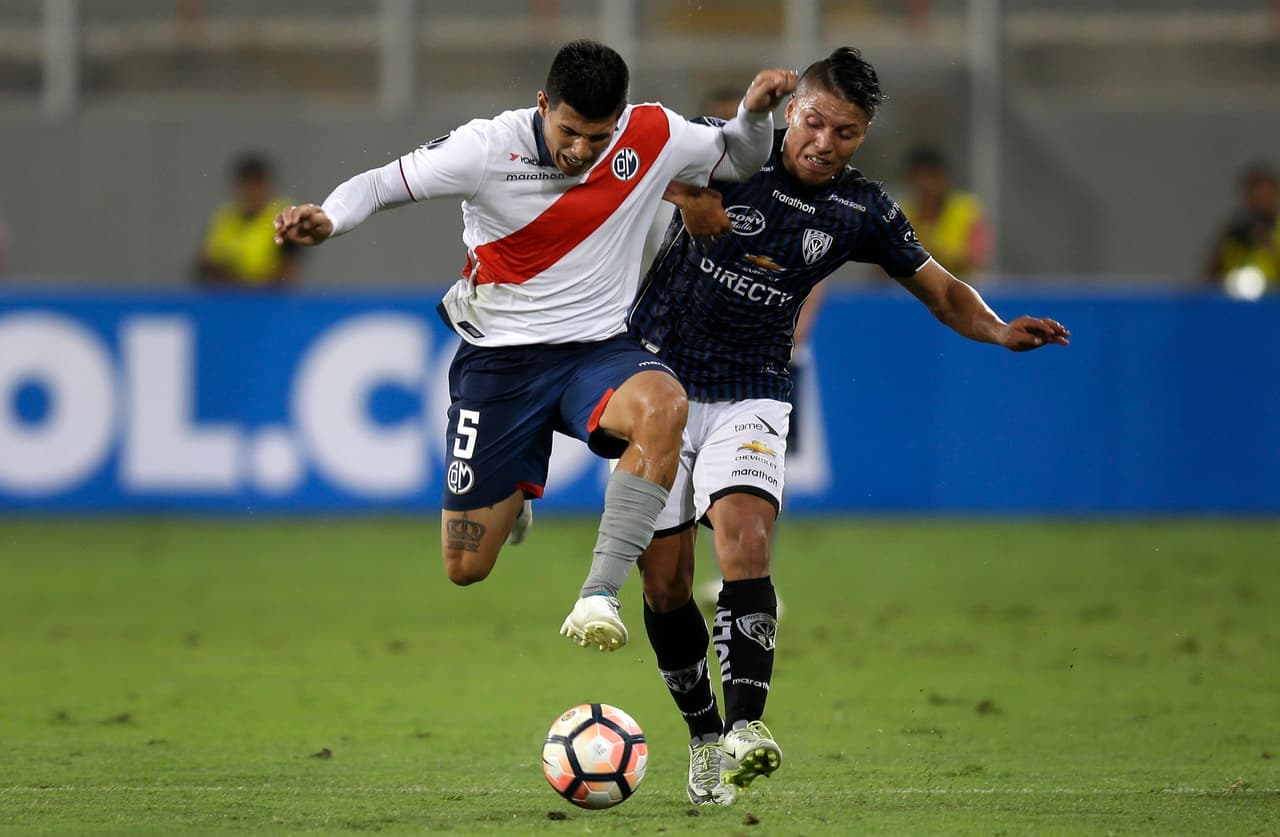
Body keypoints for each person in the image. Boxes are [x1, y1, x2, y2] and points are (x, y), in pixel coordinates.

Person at [629, 47, 1070, 806]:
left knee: (746, 540)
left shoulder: (861, 209)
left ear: (863, 136)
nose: (825, 142)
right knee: (666, 586)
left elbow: (941, 291)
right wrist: (682, 191)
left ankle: (744, 729)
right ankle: (702, 736)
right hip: (658, 384)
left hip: (752, 393)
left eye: (846, 132)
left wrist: (998, 330)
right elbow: (623, 166)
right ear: (792, 110)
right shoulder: (727, 151)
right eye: (815, 123)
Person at [273, 40, 797, 651]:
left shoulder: (652, 133)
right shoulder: (485, 147)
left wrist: (754, 114)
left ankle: (598, 595)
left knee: (664, 405)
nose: (580, 151)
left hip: (598, 350)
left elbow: (738, 157)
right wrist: (330, 219)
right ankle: (514, 495)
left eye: (598, 137)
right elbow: (380, 184)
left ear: (620, 118)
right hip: (499, 363)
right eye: (568, 132)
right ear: (543, 104)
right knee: (465, 566)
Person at [196, 153, 299, 287]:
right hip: (229, 295)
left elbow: (288, 271)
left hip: (269, 296)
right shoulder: (225, 219)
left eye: (257, 185)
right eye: (247, 185)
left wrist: (246, 282)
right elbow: (206, 264)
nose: (252, 191)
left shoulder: (284, 218)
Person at [899, 145, 991, 279]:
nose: (924, 184)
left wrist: (931, 254)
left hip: (961, 285)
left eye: (931, 176)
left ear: (943, 177)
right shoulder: (901, 214)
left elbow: (976, 259)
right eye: (917, 176)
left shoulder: (967, 210)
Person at [1203, 161, 1280, 297]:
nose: (1260, 203)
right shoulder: (1234, 231)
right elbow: (1208, 276)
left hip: (1273, 301)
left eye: (1265, 196)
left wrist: (1269, 244)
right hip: (1236, 301)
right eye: (1254, 196)